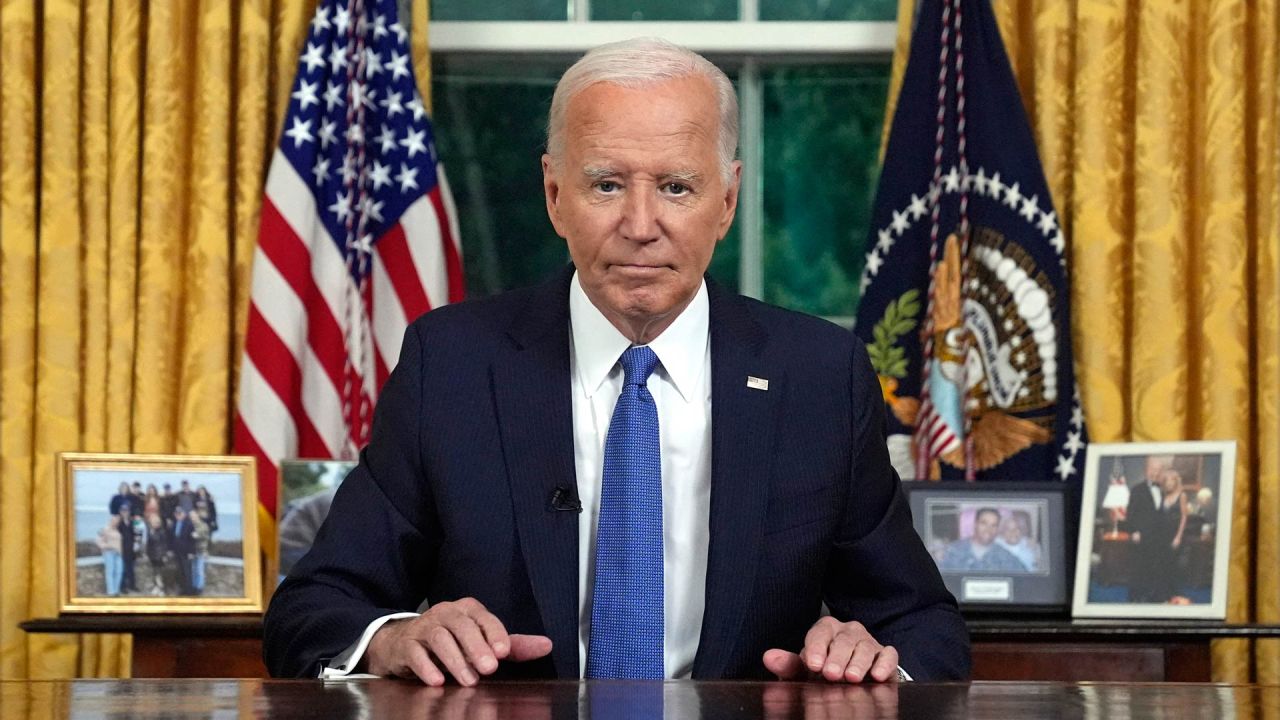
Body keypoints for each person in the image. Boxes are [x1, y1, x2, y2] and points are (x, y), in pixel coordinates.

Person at [263, 37, 969, 685]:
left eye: (676, 188)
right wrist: (393, 637)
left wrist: (872, 658)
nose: (639, 226)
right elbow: (316, 608)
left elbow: (923, 626)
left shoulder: (819, 374)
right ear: (554, 195)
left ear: (726, 200)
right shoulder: (451, 365)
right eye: (606, 184)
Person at [1124, 455, 1171, 602]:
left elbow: (1161, 515)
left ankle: (1154, 597)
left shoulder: (1163, 490)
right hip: (1142, 537)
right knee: (1139, 568)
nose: (1155, 473)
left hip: (1159, 538)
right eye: (1152, 469)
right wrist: (1133, 532)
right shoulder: (1137, 490)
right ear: (1146, 470)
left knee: (1157, 568)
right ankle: (1135, 597)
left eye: (1158, 470)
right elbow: (1130, 514)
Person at [939, 508, 1025, 573]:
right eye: (984, 523)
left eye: (993, 525)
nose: (988, 529)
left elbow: (1025, 581)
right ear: (975, 524)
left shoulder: (1006, 556)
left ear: (998, 529)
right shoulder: (953, 550)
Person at [1149, 467, 1188, 602]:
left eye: (1172, 481)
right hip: (1161, 535)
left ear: (1176, 482)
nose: (1169, 483)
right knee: (1160, 564)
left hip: (1174, 535)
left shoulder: (1182, 495)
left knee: (1170, 565)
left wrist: (1178, 537)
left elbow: (1184, 517)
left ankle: (1171, 594)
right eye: (1167, 481)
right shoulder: (1163, 495)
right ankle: (1161, 594)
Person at [170, 506, 196, 595]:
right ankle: (183, 590)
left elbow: (192, 540)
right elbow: (172, 538)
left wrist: (191, 552)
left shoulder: (189, 524)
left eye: (180, 513)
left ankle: (189, 591)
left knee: (188, 572)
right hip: (177, 552)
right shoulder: (174, 524)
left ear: (184, 514)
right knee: (180, 572)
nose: (178, 515)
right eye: (176, 513)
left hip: (186, 552)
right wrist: (171, 550)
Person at [96, 518, 124, 596]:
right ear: (110, 521)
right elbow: (98, 540)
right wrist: (106, 546)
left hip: (118, 553)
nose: (115, 523)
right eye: (113, 521)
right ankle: (111, 592)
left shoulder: (117, 530)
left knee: (119, 571)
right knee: (110, 572)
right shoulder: (105, 529)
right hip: (109, 553)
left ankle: (116, 590)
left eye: (116, 522)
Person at [144, 514, 170, 595]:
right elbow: (149, 544)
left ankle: (161, 589)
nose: (155, 524)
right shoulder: (150, 531)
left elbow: (164, 544)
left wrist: (164, 555)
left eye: (157, 523)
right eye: (153, 522)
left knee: (160, 573)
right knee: (155, 572)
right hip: (153, 555)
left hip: (160, 555)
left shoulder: (161, 532)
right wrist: (147, 554)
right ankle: (156, 587)